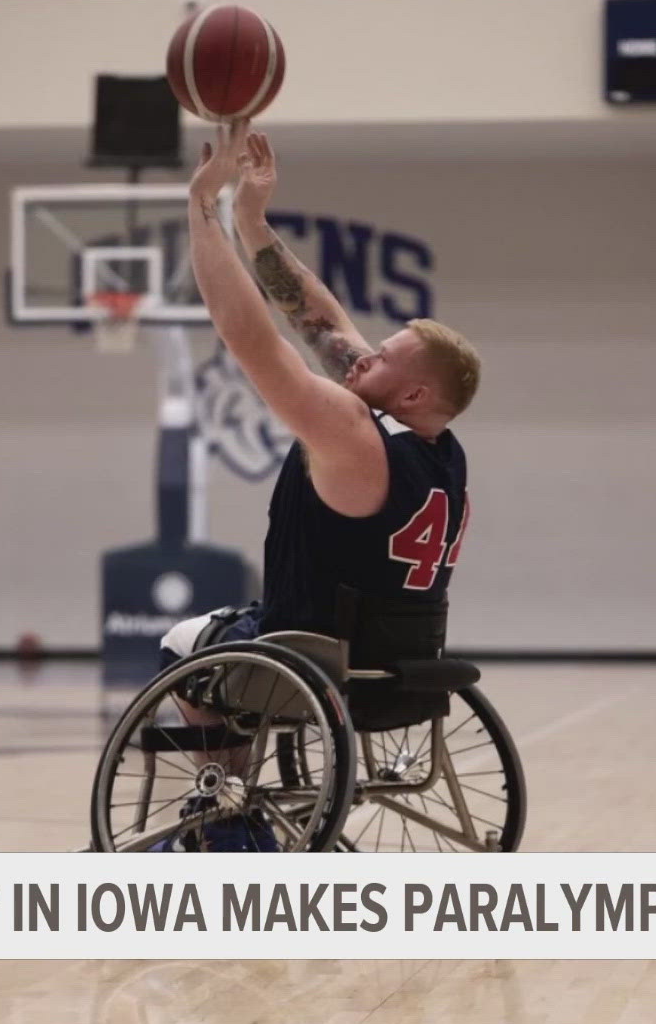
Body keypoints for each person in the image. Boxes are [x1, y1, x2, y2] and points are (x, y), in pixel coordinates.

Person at [153, 121, 482, 850]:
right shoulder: (440, 449)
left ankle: (227, 822)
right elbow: (322, 319)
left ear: (418, 394)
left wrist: (202, 209)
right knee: (238, 635)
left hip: (311, 658)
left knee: (184, 645)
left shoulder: (349, 431)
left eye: (385, 355)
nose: (362, 353)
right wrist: (253, 219)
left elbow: (251, 338)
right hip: (404, 668)